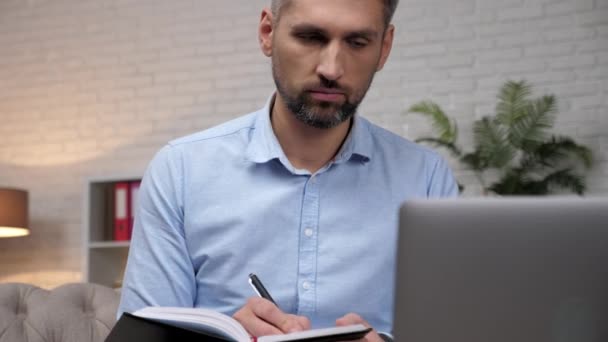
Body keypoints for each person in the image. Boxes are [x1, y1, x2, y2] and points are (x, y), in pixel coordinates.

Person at [117, 0, 458, 341]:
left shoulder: (426, 180)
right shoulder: (180, 170)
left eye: (357, 43)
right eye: (311, 37)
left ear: (384, 48)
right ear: (268, 33)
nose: (331, 69)